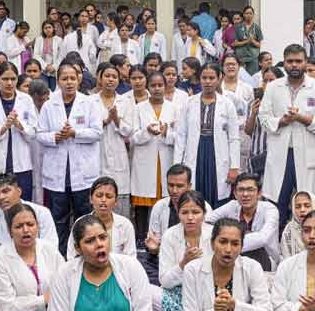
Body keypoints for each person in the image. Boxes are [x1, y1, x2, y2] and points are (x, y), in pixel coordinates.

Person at [258, 45, 315, 231]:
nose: (294, 65)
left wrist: (301, 118)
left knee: (307, 207)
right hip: (280, 155)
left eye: (298, 61)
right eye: (290, 61)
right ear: (284, 63)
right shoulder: (274, 87)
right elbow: (263, 117)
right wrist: (282, 120)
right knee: (277, 206)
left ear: (305, 62)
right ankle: (277, 251)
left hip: (307, 155)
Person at [37, 62, 103, 250]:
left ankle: (85, 252)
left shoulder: (89, 103)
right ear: (57, 81)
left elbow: (98, 132)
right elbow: (39, 134)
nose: (69, 82)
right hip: (58, 174)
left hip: (82, 174)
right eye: (64, 79)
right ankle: (60, 255)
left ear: (79, 79)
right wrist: (55, 136)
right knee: (59, 218)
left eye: (72, 78)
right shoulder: (49, 105)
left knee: (84, 217)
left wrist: (75, 133)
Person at [174, 63, 240, 208]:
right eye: (204, 78)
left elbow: (234, 138)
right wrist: (178, 164)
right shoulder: (189, 103)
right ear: (199, 78)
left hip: (218, 155)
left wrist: (234, 166)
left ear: (219, 78)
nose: (208, 82)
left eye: (212, 78)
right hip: (195, 154)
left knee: (217, 196)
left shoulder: (227, 104)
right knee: (194, 196)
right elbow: (181, 136)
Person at [158, 190, 213, 311]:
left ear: (204, 213)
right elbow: (164, 281)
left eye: (196, 212)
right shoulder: (170, 235)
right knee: (150, 293)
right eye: (184, 212)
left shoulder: (214, 234)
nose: (190, 218)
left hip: (208, 291)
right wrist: (184, 263)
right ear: (177, 212)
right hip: (177, 292)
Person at [0, 62, 38, 200]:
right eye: (5, 79)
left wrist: (19, 125)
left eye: (13, 79)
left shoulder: (26, 100)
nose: (9, 83)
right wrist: (3, 127)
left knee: (22, 204)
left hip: (21, 165)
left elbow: (33, 133)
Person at [131, 71, 175, 240]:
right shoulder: (139, 108)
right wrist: (147, 132)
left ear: (166, 86)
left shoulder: (174, 108)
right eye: (153, 85)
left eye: (160, 85)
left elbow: (180, 137)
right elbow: (133, 137)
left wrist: (166, 134)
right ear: (148, 87)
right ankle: (141, 240)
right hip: (145, 162)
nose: (157, 89)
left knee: (165, 204)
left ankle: (164, 239)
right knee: (142, 206)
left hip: (165, 159)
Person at [206, 172, 280, 271]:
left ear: (259, 193)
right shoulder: (232, 206)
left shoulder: (270, 209)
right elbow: (206, 221)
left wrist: (229, 241)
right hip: (235, 258)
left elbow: (263, 238)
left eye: (250, 190)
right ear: (235, 194)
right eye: (241, 190)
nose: (245, 194)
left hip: (264, 259)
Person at [95, 63, 134, 218]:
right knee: (98, 193)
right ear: (100, 78)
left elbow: (129, 130)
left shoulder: (126, 101)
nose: (110, 80)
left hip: (119, 152)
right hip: (97, 151)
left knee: (119, 196)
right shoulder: (90, 101)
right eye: (107, 76)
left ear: (119, 80)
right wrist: (106, 121)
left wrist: (116, 119)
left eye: (114, 77)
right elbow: (87, 128)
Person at [65, 177, 136, 260]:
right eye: (99, 196)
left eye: (109, 196)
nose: (103, 200)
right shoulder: (80, 223)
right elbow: (72, 257)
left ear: (116, 201)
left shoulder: (125, 225)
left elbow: (131, 259)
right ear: (91, 199)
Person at [0, 174, 58, 248]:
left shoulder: (42, 213)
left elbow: (51, 246)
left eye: (5, 191)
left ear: (19, 191)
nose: (1, 197)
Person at [245, 66, 283, 179]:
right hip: (257, 154)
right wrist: (253, 114)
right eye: (265, 80)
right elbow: (248, 131)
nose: (268, 83)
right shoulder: (253, 103)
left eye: (272, 80)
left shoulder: (285, 103)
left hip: (277, 156)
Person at [279, 191, 315, 261]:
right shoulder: (289, 230)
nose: (302, 210)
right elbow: (286, 259)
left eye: (307, 206)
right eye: (298, 207)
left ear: (314, 206)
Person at [62, 9, 98, 74]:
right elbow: (92, 55)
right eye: (82, 16)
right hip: (85, 66)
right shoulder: (88, 37)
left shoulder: (67, 37)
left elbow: (63, 54)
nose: (84, 18)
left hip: (70, 66)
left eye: (86, 16)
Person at [33, 20, 62, 91]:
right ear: (43, 29)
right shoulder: (39, 39)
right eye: (45, 28)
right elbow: (36, 55)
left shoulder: (59, 40)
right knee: (43, 90)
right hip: (43, 70)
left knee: (54, 90)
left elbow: (61, 56)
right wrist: (45, 66)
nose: (48, 30)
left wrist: (54, 67)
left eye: (49, 27)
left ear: (53, 28)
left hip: (54, 70)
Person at [234, 6, 263, 75]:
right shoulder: (238, 27)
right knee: (241, 78)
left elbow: (259, 44)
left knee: (253, 78)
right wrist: (247, 41)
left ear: (253, 15)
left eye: (250, 13)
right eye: (246, 13)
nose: (248, 15)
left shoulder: (256, 28)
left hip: (253, 58)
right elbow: (235, 43)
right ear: (243, 15)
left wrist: (252, 40)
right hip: (241, 58)